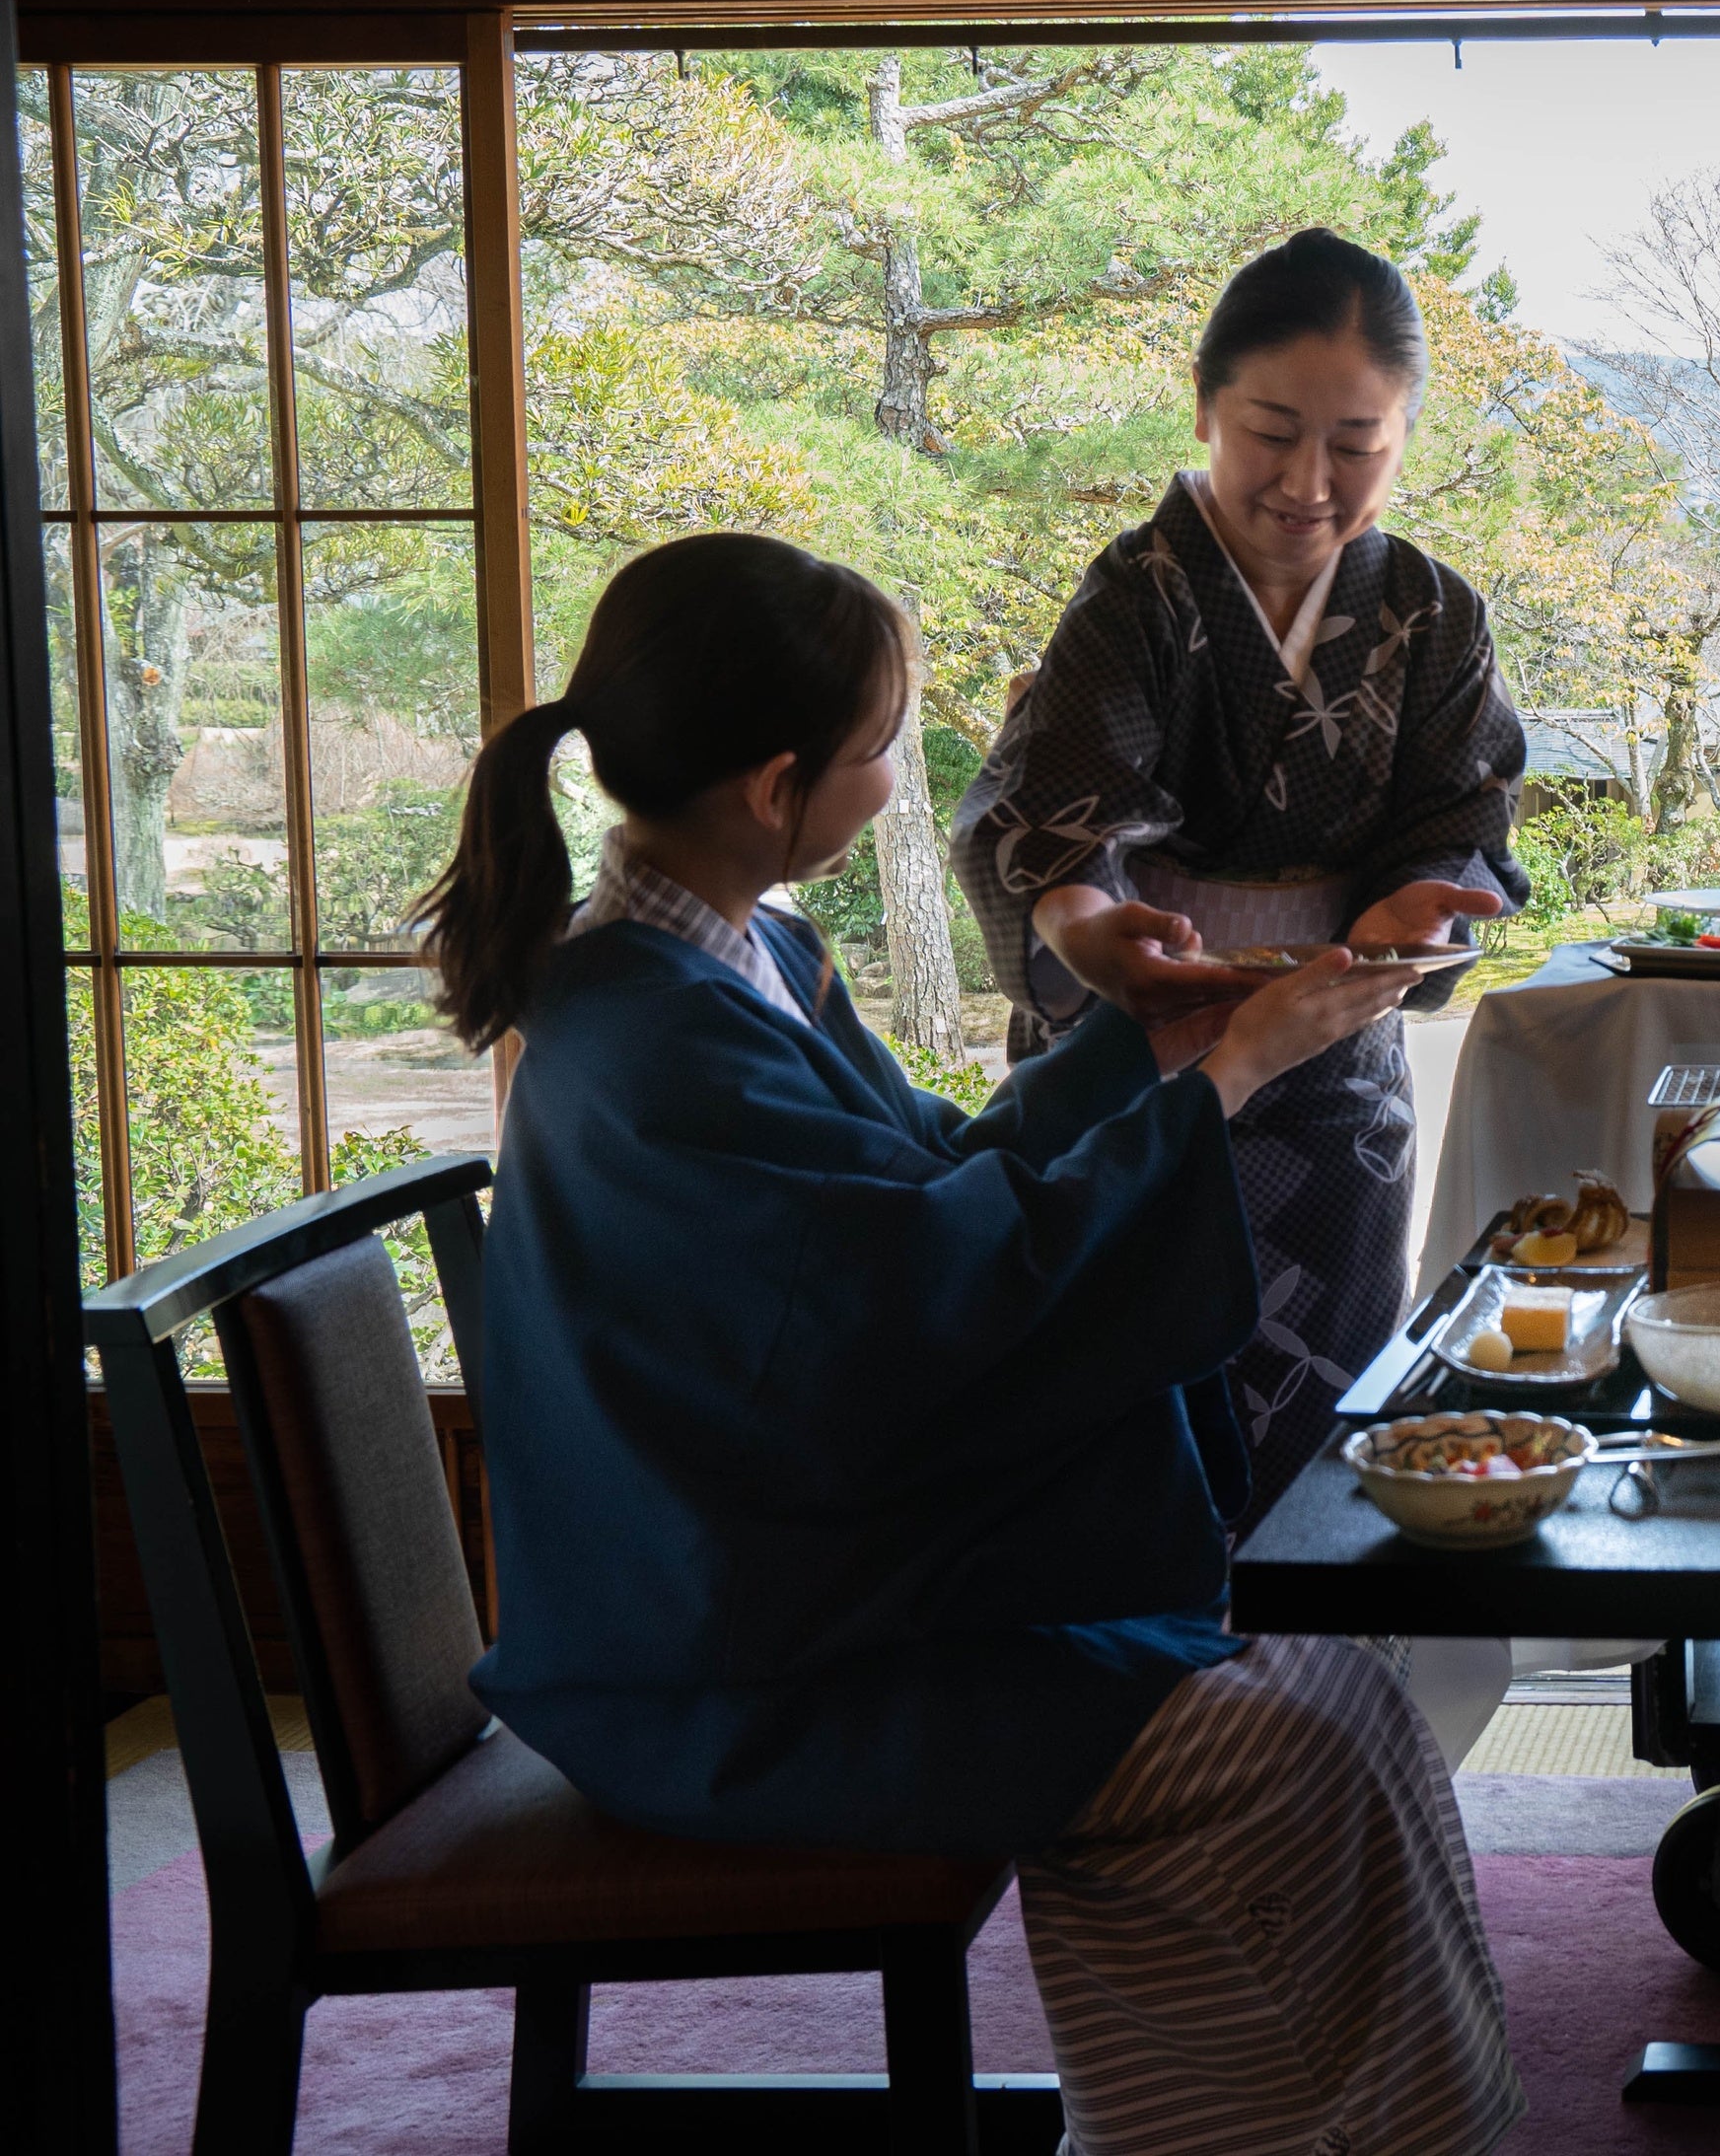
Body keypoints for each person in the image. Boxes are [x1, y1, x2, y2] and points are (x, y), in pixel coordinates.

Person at [427, 534, 1522, 2156]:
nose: (900, 782)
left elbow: (931, 1183)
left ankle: (1383, 2130)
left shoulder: (734, 961)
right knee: (1270, 1752)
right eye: (881, 750)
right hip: (740, 1661)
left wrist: (1154, 1037)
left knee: (1336, 1695)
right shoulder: (657, 1037)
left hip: (793, 1582)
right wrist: (1231, 1077)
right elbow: (931, 1287)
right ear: (777, 786)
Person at [960, 228, 1526, 1530]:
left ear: (1404, 438)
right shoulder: (1138, 593)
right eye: (1272, 430)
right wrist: (1084, 920)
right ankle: (1140, 1708)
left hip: (1332, 1054)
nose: (1309, 481)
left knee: (1319, 1430)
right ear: (1207, 403)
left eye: (1357, 443)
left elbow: (1462, 813)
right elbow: (1056, 811)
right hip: (1139, 1052)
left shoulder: (1435, 614)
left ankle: (1303, 1703)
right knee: (1125, 1403)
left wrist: (1416, 902)